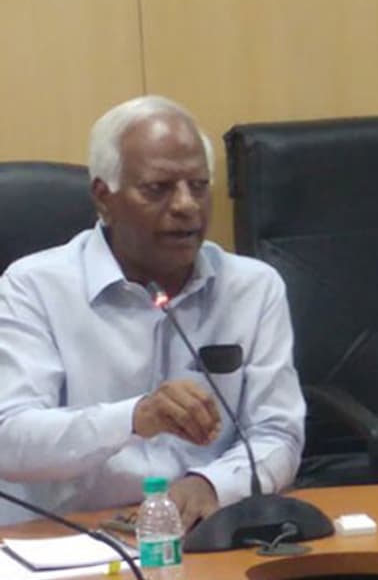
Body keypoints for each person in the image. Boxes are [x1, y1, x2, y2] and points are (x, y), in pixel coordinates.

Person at [0, 96, 304, 528]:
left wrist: (212, 485)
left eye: (198, 186)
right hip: (73, 535)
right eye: (158, 189)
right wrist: (134, 418)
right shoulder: (34, 287)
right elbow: (10, 440)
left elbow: (278, 433)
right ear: (104, 198)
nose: (186, 205)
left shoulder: (252, 288)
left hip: (204, 530)